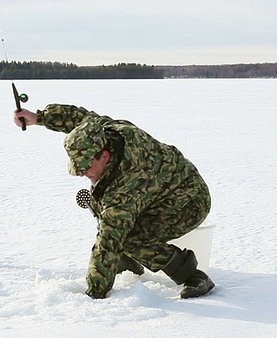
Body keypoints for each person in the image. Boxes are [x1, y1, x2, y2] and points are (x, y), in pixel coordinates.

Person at [13, 104, 214, 299]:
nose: (84, 173)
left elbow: (109, 240)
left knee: (128, 237)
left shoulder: (126, 182)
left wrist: (95, 293)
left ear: (105, 156)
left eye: (87, 166)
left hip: (189, 201)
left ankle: (192, 276)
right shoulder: (104, 132)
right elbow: (77, 118)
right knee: (105, 206)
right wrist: (38, 117)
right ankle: (128, 261)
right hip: (159, 191)